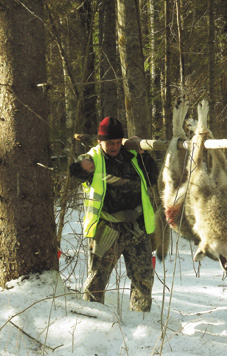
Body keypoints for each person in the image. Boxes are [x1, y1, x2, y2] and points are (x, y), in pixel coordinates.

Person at [70, 117, 159, 312]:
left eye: (118, 142)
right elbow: (75, 170)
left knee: (144, 277)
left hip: (136, 227)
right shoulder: (93, 158)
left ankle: (141, 320)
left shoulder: (132, 157)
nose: (114, 147)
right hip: (106, 229)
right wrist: (83, 167)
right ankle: (93, 320)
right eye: (109, 142)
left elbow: (152, 177)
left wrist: (142, 153)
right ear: (99, 141)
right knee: (97, 280)